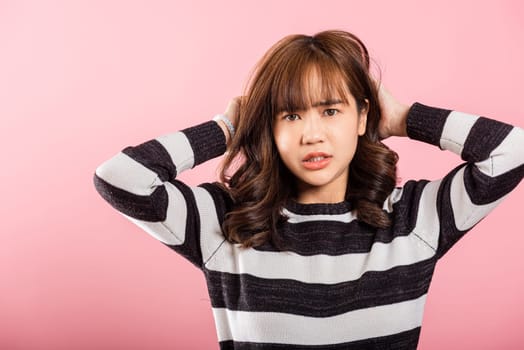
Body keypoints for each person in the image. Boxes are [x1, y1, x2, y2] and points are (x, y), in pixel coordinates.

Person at [93, 30, 524, 349]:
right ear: (269, 127)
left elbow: (512, 151)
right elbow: (121, 178)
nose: (312, 135)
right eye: (291, 115)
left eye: (331, 110)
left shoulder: (412, 219)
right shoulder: (224, 223)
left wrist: (405, 118)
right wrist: (226, 129)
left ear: (361, 118)